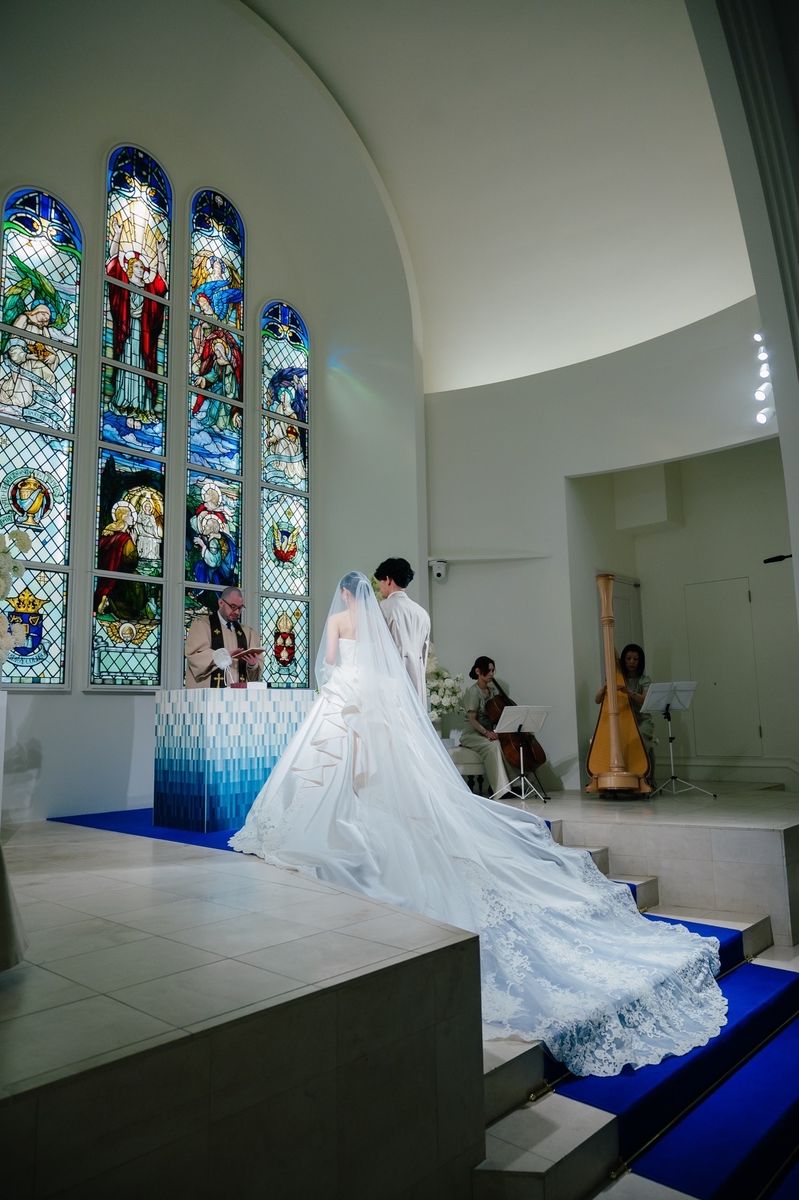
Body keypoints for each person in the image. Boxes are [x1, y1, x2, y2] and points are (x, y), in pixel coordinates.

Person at [230, 572, 727, 1078]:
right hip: (376, 696)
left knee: (331, 767)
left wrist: (338, 687)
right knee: (374, 768)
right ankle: (364, 809)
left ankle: (340, 817)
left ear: (346, 592)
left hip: (345, 696)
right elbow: (392, 663)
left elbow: (329, 665)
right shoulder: (389, 617)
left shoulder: (341, 618)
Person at [374, 557, 431, 705]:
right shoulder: (422, 613)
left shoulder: (383, 608)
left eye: (380, 581)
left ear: (388, 579)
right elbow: (424, 653)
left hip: (391, 681)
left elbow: (377, 649)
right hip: (417, 681)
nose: (380, 587)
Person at [185, 586, 263, 688]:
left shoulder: (248, 633)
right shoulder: (202, 625)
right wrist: (223, 655)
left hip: (239, 696)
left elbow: (255, 678)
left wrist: (252, 665)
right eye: (233, 606)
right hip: (210, 695)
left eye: (240, 608)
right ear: (221, 603)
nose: (237, 612)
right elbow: (195, 657)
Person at [596, 642, 654, 779]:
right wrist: (604, 688)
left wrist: (627, 691)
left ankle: (644, 777)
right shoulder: (617, 678)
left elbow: (645, 700)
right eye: (628, 658)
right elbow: (597, 700)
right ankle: (620, 777)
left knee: (638, 739)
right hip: (622, 720)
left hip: (642, 720)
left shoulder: (645, 680)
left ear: (640, 661)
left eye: (635, 659)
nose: (632, 662)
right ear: (623, 660)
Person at [459, 655, 515, 797]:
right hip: (472, 734)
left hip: (488, 731)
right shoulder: (473, 692)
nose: (491, 674)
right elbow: (472, 720)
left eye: (493, 670)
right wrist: (487, 733)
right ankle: (500, 790)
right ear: (478, 671)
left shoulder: (493, 691)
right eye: (488, 670)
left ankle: (514, 785)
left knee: (505, 744)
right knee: (493, 746)